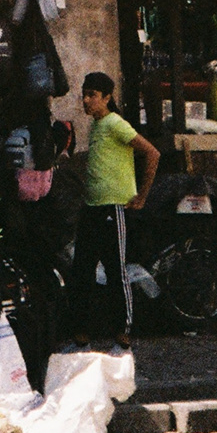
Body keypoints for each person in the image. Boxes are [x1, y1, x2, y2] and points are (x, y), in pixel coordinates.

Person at [72, 73, 159, 350]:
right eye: (84, 95)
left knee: (115, 269)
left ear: (107, 98)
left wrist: (142, 196)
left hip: (114, 207)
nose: (86, 101)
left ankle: (123, 328)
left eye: (93, 95)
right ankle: (82, 328)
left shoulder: (114, 123)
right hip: (92, 206)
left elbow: (152, 153)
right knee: (82, 268)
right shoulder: (97, 126)